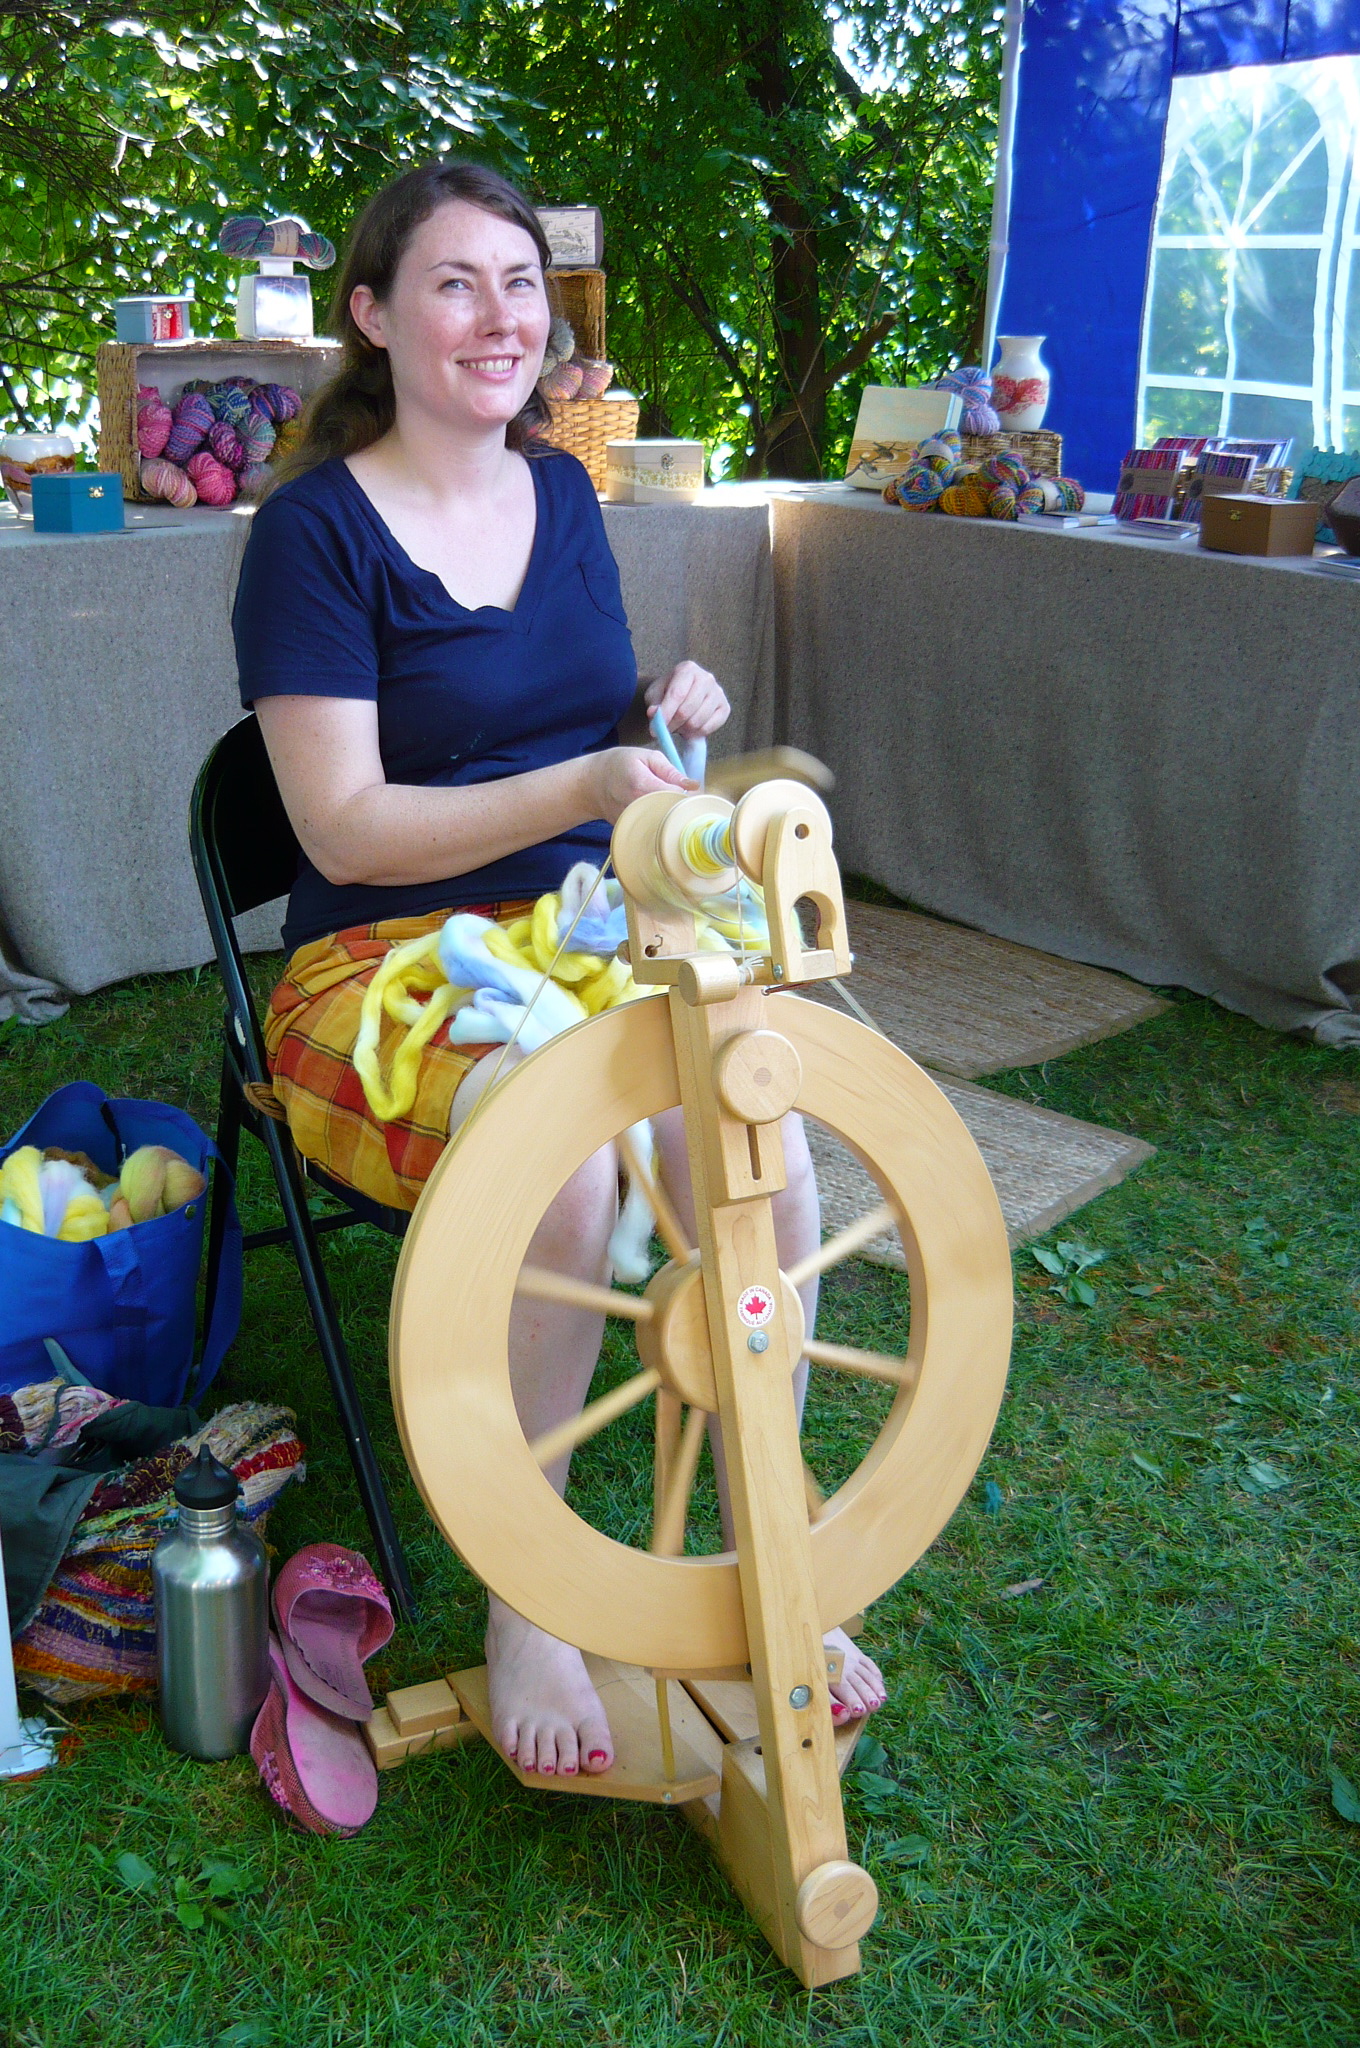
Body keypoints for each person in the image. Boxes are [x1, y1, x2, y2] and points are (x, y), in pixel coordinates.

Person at [233, 158, 885, 1778]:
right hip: (380, 961)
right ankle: (529, 1596)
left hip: (582, 923)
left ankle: (764, 1541)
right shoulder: (310, 535)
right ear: (374, 316)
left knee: (754, 1131)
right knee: (569, 1167)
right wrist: (584, 786)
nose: (499, 316)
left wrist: (654, 717)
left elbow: (589, 723)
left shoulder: (563, 495)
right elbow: (346, 827)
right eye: (454, 283)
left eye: (520, 283)